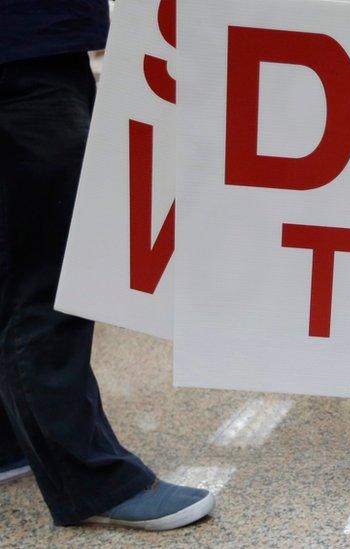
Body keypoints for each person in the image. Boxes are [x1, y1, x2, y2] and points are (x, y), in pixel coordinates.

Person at [0, 0, 214, 529]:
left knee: (16, 264)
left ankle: (14, 438)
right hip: (23, 57)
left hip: (37, 45)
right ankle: (91, 482)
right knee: (51, 280)